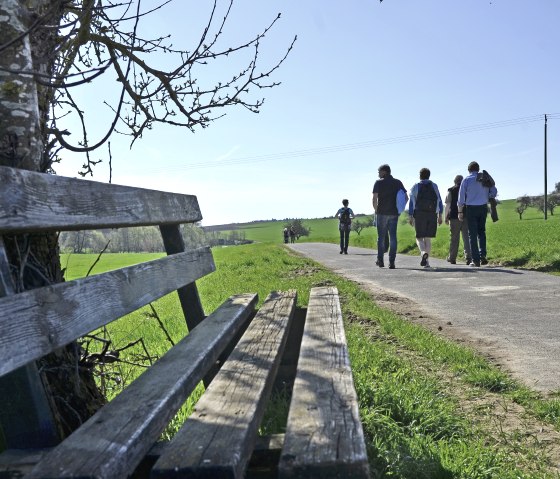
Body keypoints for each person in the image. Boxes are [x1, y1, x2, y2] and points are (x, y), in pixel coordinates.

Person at [457, 161, 498, 267]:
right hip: (483, 207)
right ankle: (482, 255)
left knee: (472, 234)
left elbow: (461, 198)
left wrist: (460, 211)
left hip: (471, 209)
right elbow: (494, 191)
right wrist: (488, 195)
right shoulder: (485, 178)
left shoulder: (466, 180)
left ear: (469, 170)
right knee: (481, 232)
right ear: (478, 169)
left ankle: (475, 260)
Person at [372, 164, 407, 269]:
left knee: (381, 237)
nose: (378, 174)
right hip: (394, 213)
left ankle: (380, 260)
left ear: (384, 172)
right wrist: (400, 209)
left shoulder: (378, 183)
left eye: (379, 171)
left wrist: (376, 210)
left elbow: (374, 199)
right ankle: (392, 262)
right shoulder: (397, 182)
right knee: (393, 237)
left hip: (382, 213)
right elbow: (406, 197)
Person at [408, 168, 443, 268]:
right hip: (432, 214)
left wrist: (410, 216)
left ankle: (423, 253)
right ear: (429, 175)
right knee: (427, 239)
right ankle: (426, 262)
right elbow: (439, 201)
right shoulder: (434, 186)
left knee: (419, 237)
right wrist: (440, 215)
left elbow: (411, 202)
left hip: (419, 214)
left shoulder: (415, 186)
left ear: (420, 176)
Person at [444, 175, 472, 265]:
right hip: (466, 216)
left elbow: (448, 205)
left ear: (454, 181)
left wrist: (445, 217)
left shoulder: (451, 190)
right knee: (466, 238)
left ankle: (452, 258)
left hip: (454, 217)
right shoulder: (467, 189)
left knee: (454, 238)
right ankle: (468, 258)